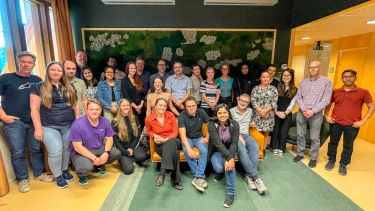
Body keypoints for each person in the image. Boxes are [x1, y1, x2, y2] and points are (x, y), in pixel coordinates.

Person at [0, 51, 53, 193]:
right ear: (17, 62)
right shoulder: (6, 78)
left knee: (36, 149)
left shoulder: (37, 79)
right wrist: (4, 116)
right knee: (17, 152)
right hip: (14, 122)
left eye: (29, 62)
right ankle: (22, 180)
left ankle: (39, 173)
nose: (26, 64)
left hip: (34, 122)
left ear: (34, 64)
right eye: (23, 61)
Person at [30, 61, 80, 189]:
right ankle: (57, 175)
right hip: (48, 126)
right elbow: (34, 109)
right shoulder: (38, 87)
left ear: (62, 72)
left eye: (59, 70)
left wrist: (77, 122)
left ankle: (64, 170)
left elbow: (75, 105)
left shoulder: (69, 86)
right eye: (53, 70)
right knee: (56, 151)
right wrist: (38, 128)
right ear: (48, 71)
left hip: (68, 125)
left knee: (66, 149)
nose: (56, 72)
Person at [324, 69, 374, 175]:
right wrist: (326, 115)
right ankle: (331, 160)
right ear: (342, 79)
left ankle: (343, 164)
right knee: (333, 143)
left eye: (350, 76)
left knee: (348, 145)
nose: (348, 78)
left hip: (352, 125)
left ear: (355, 78)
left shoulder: (363, 92)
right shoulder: (336, 92)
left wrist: (363, 121)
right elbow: (328, 104)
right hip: (335, 122)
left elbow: (371, 107)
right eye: (345, 77)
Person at [69, 100, 121, 185]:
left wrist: (106, 152)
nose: (94, 111)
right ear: (86, 110)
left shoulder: (105, 121)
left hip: (98, 148)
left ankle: (99, 165)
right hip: (81, 152)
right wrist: (94, 158)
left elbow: (110, 138)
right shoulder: (77, 124)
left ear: (101, 110)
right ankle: (82, 174)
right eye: (91, 109)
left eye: (97, 109)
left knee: (116, 153)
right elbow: (77, 147)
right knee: (86, 167)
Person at [294, 60, 332, 168]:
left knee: (315, 137)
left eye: (315, 67)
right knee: (300, 134)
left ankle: (313, 158)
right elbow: (298, 97)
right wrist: (305, 109)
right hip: (302, 112)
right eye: (311, 67)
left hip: (316, 114)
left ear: (320, 68)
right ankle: (300, 154)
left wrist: (313, 110)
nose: (313, 69)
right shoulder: (303, 82)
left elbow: (326, 100)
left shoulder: (327, 82)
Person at [230, 94, 267, 195]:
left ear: (248, 104)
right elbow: (229, 126)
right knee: (242, 149)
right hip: (235, 135)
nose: (243, 103)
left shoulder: (250, 111)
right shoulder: (231, 111)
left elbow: (249, 122)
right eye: (241, 100)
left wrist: (252, 123)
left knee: (255, 146)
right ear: (238, 100)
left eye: (246, 102)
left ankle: (248, 175)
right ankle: (254, 177)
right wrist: (237, 135)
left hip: (246, 134)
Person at [145, 98, 182, 190]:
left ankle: (162, 173)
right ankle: (176, 181)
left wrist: (164, 140)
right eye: (160, 105)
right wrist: (154, 135)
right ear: (155, 106)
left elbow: (175, 133)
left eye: (164, 105)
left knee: (171, 142)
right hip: (160, 145)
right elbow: (149, 131)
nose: (162, 107)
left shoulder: (170, 115)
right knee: (175, 153)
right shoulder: (149, 118)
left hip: (174, 141)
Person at [208, 104, 239, 208]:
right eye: (219, 113)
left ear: (228, 113)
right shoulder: (211, 124)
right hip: (217, 151)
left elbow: (235, 142)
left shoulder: (235, 124)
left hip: (231, 150)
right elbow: (217, 142)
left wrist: (229, 158)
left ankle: (230, 192)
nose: (222, 115)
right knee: (219, 168)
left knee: (229, 166)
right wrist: (229, 158)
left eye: (225, 112)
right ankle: (220, 173)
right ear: (216, 114)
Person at [178, 96, 210, 192]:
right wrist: (188, 148)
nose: (191, 108)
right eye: (189, 106)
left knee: (204, 150)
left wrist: (207, 137)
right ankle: (199, 177)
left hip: (199, 137)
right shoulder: (182, 116)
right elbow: (182, 134)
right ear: (185, 107)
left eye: (193, 105)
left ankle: (197, 177)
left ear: (197, 105)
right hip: (188, 138)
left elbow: (210, 125)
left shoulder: (201, 112)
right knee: (187, 151)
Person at [112, 99, 147, 175]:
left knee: (141, 157)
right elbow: (115, 141)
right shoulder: (115, 121)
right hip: (121, 148)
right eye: (123, 105)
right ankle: (125, 158)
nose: (125, 107)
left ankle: (132, 156)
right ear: (119, 107)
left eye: (127, 105)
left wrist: (131, 148)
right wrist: (125, 152)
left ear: (130, 107)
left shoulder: (135, 118)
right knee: (128, 170)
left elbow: (137, 136)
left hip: (132, 145)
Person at [270, 68, 297, 156]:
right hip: (276, 111)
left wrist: (285, 113)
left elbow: (293, 103)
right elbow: (273, 100)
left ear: (291, 77)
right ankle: (274, 147)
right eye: (284, 75)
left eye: (288, 75)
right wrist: (276, 111)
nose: (285, 77)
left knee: (284, 131)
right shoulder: (277, 87)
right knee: (276, 130)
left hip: (287, 113)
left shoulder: (294, 89)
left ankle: (281, 148)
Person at [251, 71, 278, 158]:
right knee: (257, 132)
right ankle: (256, 149)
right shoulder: (255, 88)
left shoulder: (273, 89)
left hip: (268, 115)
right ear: (260, 78)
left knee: (266, 133)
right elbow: (253, 101)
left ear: (270, 78)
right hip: (257, 114)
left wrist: (265, 111)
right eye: (263, 77)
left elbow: (274, 102)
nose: (265, 79)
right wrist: (261, 112)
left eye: (267, 77)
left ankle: (263, 149)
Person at [121, 62, 145, 130]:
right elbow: (125, 96)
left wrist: (141, 105)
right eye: (131, 68)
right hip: (130, 108)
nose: (133, 70)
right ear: (127, 69)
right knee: (132, 127)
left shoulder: (139, 80)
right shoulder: (124, 81)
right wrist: (135, 107)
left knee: (140, 126)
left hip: (141, 107)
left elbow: (143, 94)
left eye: (134, 68)